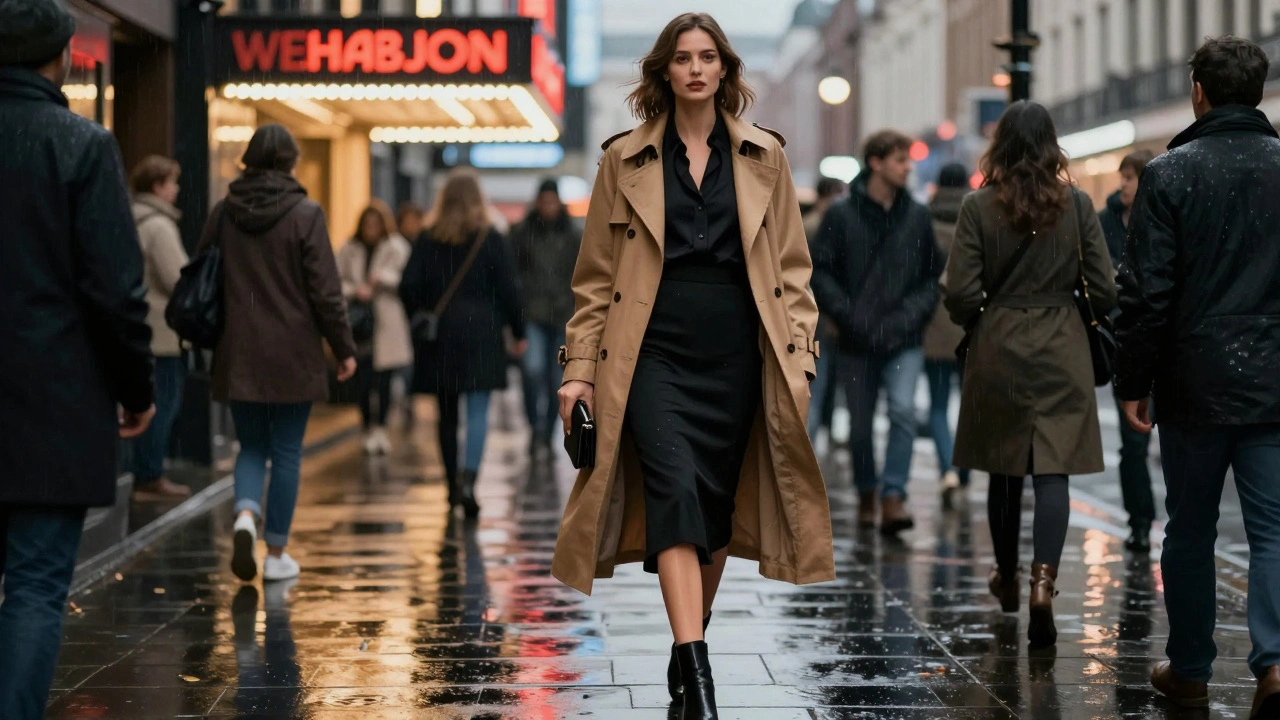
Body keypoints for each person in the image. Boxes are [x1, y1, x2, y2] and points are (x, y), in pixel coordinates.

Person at [552, 14, 835, 719]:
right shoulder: (624, 161)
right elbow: (593, 281)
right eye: (683, 58)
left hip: (740, 352)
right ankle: (697, 670)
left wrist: (799, 362)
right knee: (675, 492)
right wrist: (578, 370)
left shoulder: (765, 156)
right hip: (650, 348)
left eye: (709, 57)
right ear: (665, 72)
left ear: (725, 71)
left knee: (711, 511)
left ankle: (687, 651)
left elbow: (794, 275)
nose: (697, 69)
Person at [1114, 37, 1280, 717]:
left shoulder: (1170, 173)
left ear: (1199, 92)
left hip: (1195, 380)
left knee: (1189, 528)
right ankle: (1274, 666)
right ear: (1260, 91)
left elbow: (1147, 293)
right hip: (1273, 378)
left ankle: (1190, 669)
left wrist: (1133, 380)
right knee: (1272, 529)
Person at [0, 1, 155, 714]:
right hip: (50, 401)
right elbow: (116, 291)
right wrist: (136, 389)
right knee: (34, 584)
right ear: (57, 58)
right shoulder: (81, 146)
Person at [943, 101, 1116, 648]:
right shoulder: (1078, 203)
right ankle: (1045, 582)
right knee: (1053, 471)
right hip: (1064, 345)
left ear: (1000, 145)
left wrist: (985, 316)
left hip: (1001, 345)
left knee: (1003, 468)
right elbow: (1105, 290)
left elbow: (961, 291)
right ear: (1051, 144)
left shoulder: (978, 206)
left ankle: (1008, 576)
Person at [202, 124, 358, 584]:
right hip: (293, 351)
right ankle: (276, 554)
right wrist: (344, 347)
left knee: (250, 446)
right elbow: (326, 291)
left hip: (239, 349)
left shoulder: (224, 211)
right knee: (287, 451)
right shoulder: (305, 213)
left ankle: (246, 515)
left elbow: (204, 274)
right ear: (291, 162)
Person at [810, 130, 941, 535]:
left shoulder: (917, 215)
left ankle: (893, 496)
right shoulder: (841, 214)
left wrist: (907, 319)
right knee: (861, 425)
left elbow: (931, 278)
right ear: (877, 163)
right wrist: (849, 317)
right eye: (901, 160)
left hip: (904, 338)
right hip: (854, 338)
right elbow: (821, 272)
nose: (909, 167)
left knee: (903, 412)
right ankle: (867, 492)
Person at [400, 170, 526, 519]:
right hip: (482, 332)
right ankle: (470, 482)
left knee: (446, 414)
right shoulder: (490, 237)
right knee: (477, 411)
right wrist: (518, 330)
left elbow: (407, 286)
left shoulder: (428, 237)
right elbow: (509, 288)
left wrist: (422, 313)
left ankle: (450, 486)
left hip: (441, 336)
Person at [1097, 149, 1157, 553]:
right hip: (1124, 338)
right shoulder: (1104, 222)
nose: (1124, 184)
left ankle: (1166, 523)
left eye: (1131, 177)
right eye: (1122, 176)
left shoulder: (1161, 218)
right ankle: (1139, 521)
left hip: (1161, 339)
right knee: (1131, 443)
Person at [129, 155, 192, 500]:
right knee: (163, 404)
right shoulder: (160, 226)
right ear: (157, 186)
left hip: (138, 327)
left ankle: (140, 471)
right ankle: (150, 475)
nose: (177, 188)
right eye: (172, 182)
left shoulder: (129, 217)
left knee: (142, 403)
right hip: (163, 333)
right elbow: (176, 279)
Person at [509, 178, 582, 453]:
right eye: (544, 200)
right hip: (533, 314)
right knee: (532, 371)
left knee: (556, 379)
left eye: (552, 200)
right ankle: (535, 426)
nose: (548, 206)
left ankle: (547, 431)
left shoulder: (573, 235)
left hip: (563, 316)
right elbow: (513, 274)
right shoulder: (523, 233)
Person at [337, 202, 413, 455]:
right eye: (367, 224)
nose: (371, 229)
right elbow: (336, 280)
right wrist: (355, 291)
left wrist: (381, 279)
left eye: (375, 223)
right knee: (363, 380)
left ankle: (380, 428)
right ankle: (367, 428)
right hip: (359, 323)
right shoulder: (349, 248)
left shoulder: (396, 246)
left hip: (386, 322)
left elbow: (408, 279)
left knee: (384, 381)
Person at [922, 162, 971, 509]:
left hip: (934, 323)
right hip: (970, 322)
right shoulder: (977, 215)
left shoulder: (925, 218)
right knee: (969, 405)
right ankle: (964, 467)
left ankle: (947, 468)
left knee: (938, 406)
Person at [803, 177, 846, 449]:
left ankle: (816, 440)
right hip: (819, 318)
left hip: (821, 316)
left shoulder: (811, 223)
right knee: (819, 387)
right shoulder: (818, 226)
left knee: (821, 387)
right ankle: (812, 444)